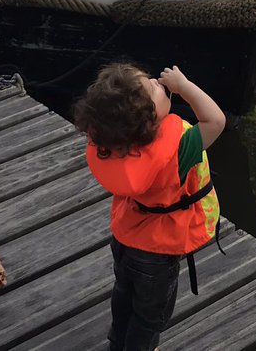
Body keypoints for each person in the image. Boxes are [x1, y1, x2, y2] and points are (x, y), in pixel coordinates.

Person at [74, 62, 225, 351]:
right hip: (157, 251)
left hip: (126, 237)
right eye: (152, 87)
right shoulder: (181, 146)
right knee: (149, 316)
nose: (158, 81)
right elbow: (215, 121)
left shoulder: (113, 142)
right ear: (148, 120)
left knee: (124, 295)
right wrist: (183, 87)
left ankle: (118, 342)